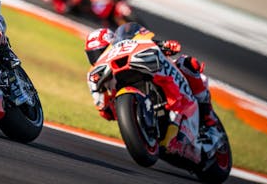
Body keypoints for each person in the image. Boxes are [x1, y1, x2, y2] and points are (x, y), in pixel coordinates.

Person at [84, 27, 219, 159]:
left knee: (187, 63)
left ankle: (209, 118)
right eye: (93, 55)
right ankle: (146, 126)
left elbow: (149, 43)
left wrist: (164, 45)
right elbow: (104, 110)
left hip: (170, 89)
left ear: (112, 43)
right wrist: (107, 106)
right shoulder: (94, 74)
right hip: (126, 99)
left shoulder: (130, 46)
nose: (99, 57)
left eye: (101, 51)